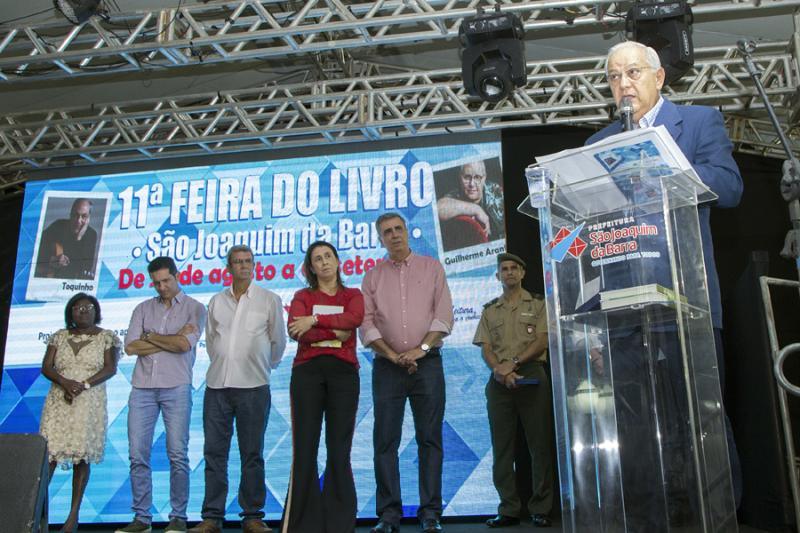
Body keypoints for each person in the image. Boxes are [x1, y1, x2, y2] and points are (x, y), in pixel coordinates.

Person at [585, 40, 743, 527]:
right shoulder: (597, 146)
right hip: (623, 310)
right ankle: (649, 519)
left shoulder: (696, 124)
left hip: (685, 301)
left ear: (659, 78)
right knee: (635, 430)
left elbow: (730, 186)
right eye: (613, 76)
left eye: (632, 72)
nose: (622, 83)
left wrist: (660, 169)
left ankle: (717, 517)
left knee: (700, 422)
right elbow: (586, 228)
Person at [360, 213, 454, 533]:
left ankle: (431, 513)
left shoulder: (432, 268)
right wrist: (393, 355)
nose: (394, 235)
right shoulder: (372, 277)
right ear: (380, 238)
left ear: (407, 232)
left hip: (427, 364)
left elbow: (443, 317)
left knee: (430, 440)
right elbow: (367, 324)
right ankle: (388, 515)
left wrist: (420, 351)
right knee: (385, 442)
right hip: (387, 367)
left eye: (398, 229)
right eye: (387, 232)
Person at [188, 246, 286, 533]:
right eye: (238, 262)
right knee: (214, 453)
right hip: (217, 386)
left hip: (254, 387)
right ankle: (212, 517)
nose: (244, 266)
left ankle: (252, 516)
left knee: (251, 453)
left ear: (254, 265)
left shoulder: (269, 299)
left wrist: (263, 366)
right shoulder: (216, 301)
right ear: (228, 268)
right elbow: (211, 338)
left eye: (248, 262)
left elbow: (278, 342)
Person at [117, 256, 206, 533]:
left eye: (166, 280)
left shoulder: (195, 308)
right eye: (156, 283)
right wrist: (166, 338)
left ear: (177, 276)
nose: (162, 287)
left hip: (176, 386)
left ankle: (178, 516)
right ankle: (142, 518)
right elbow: (131, 348)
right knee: (136, 454)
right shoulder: (142, 308)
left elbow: (182, 345)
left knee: (177, 453)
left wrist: (150, 337)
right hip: (141, 388)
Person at [281, 241, 364, 533]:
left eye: (329, 256)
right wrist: (335, 331)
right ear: (311, 267)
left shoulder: (353, 295)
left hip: (343, 374)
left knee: (338, 449)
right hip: (307, 373)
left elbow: (354, 320)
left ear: (338, 261)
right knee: (305, 449)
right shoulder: (302, 296)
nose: (325, 262)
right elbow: (296, 331)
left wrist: (315, 320)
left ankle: (339, 523)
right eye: (318, 259)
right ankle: (303, 524)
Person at [473, 253, 554, 529]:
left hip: (531, 374)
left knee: (539, 445)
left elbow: (542, 340)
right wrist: (500, 370)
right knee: (502, 448)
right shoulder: (490, 309)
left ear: (522, 273)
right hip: (499, 381)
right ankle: (508, 508)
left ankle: (541, 507)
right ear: (497, 276)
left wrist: (513, 364)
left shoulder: (539, 304)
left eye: (513, 268)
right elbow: (485, 347)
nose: (508, 272)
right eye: (503, 269)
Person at [39, 292, 119, 533]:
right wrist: (65, 383)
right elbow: (46, 367)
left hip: (88, 401)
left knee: (81, 457)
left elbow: (110, 368)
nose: (83, 311)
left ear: (96, 311)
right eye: (77, 307)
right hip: (58, 400)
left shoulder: (107, 337)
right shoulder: (58, 336)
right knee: (49, 456)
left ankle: (72, 517)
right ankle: (37, 515)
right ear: (69, 312)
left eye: (88, 307)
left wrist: (82, 385)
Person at [437, 160, 504, 247]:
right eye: (467, 177)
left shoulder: (495, 190)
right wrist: (476, 209)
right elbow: (437, 209)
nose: (472, 184)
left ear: (484, 178)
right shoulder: (455, 195)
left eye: (477, 177)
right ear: (460, 177)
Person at [35, 198, 98, 280]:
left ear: (88, 218)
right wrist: (51, 260)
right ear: (70, 214)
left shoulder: (91, 234)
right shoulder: (58, 225)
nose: (79, 221)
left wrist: (78, 238)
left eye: (84, 216)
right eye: (75, 215)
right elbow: (36, 248)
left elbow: (86, 266)